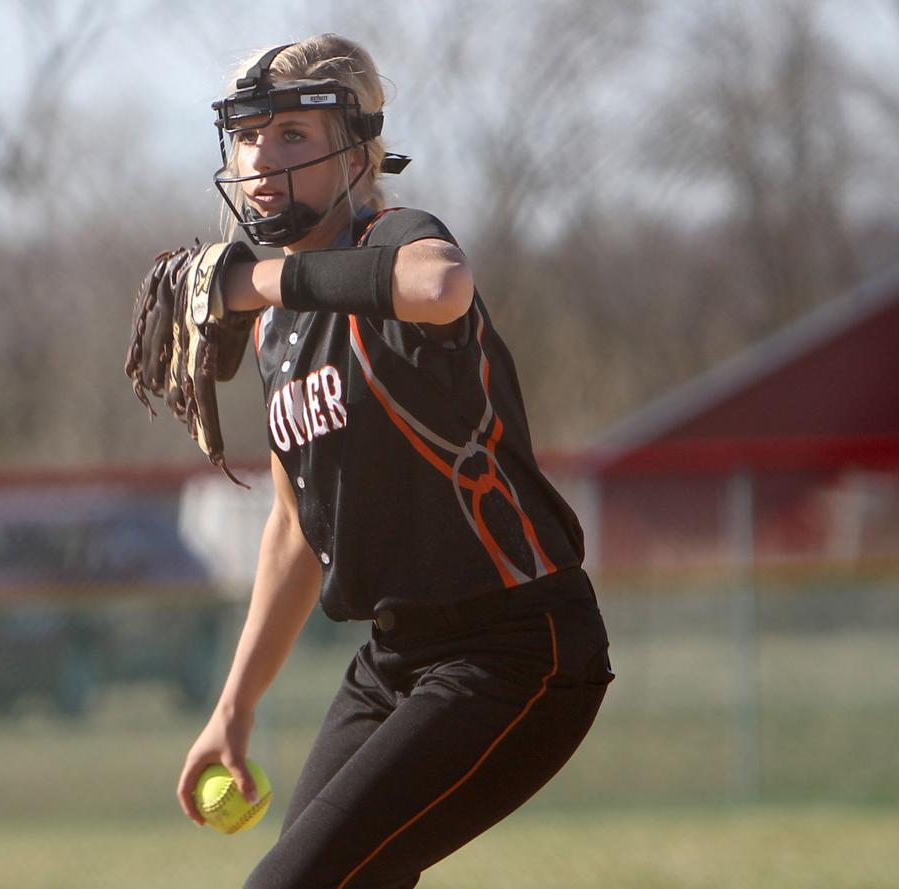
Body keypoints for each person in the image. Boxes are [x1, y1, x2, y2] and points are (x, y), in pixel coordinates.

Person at [176, 34, 615, 889]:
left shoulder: (399, 234)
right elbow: (292, 534)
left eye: (294, 134)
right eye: (248, 135)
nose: (263, 157)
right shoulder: (278, 329)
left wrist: (262, 279)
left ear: (358, 148)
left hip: (516, 648)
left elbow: (440, 286)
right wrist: (234, 709)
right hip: (395, 662)